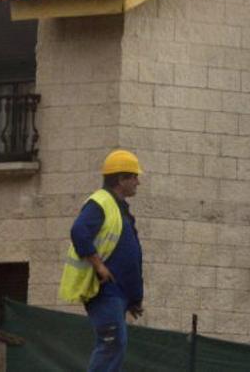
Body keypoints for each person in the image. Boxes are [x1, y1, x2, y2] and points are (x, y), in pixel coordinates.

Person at [59, 149, 145, 372]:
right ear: (120, 179)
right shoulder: (101, 202)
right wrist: (98, 265)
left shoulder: (120, 208)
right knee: (111, 344)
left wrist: (134, 298)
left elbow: (127, 254)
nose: (138, 182)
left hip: (119, 294)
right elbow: (79, 231)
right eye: (134, 176)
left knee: (116, 345)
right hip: (104, 291)